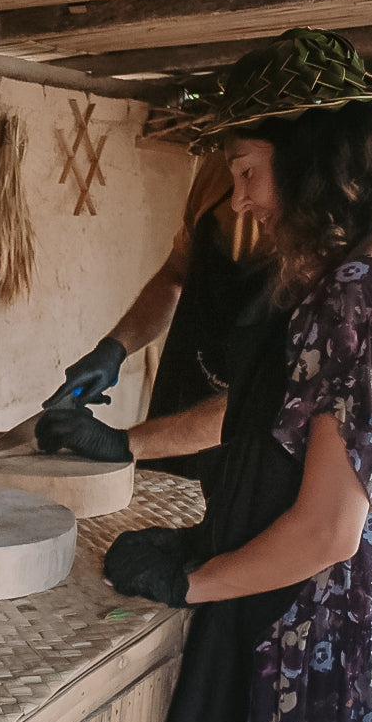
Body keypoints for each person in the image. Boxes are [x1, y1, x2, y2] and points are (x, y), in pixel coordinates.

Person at [87, 28, 372, 722]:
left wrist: (194, 583)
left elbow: (326, 532)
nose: (243, 199)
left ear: (310, 158)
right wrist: (207, 541)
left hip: (323, 645)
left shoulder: (361, 292)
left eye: (248, 170)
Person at [38, 149, 274, 481]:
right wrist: (115, 348)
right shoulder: (214, 173)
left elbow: (267, 400)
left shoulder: (320, 250)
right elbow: (174, 276)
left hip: (246, 441)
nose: (237, 201)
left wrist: (125, 442)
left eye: (248, 172)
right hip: (184, 386)